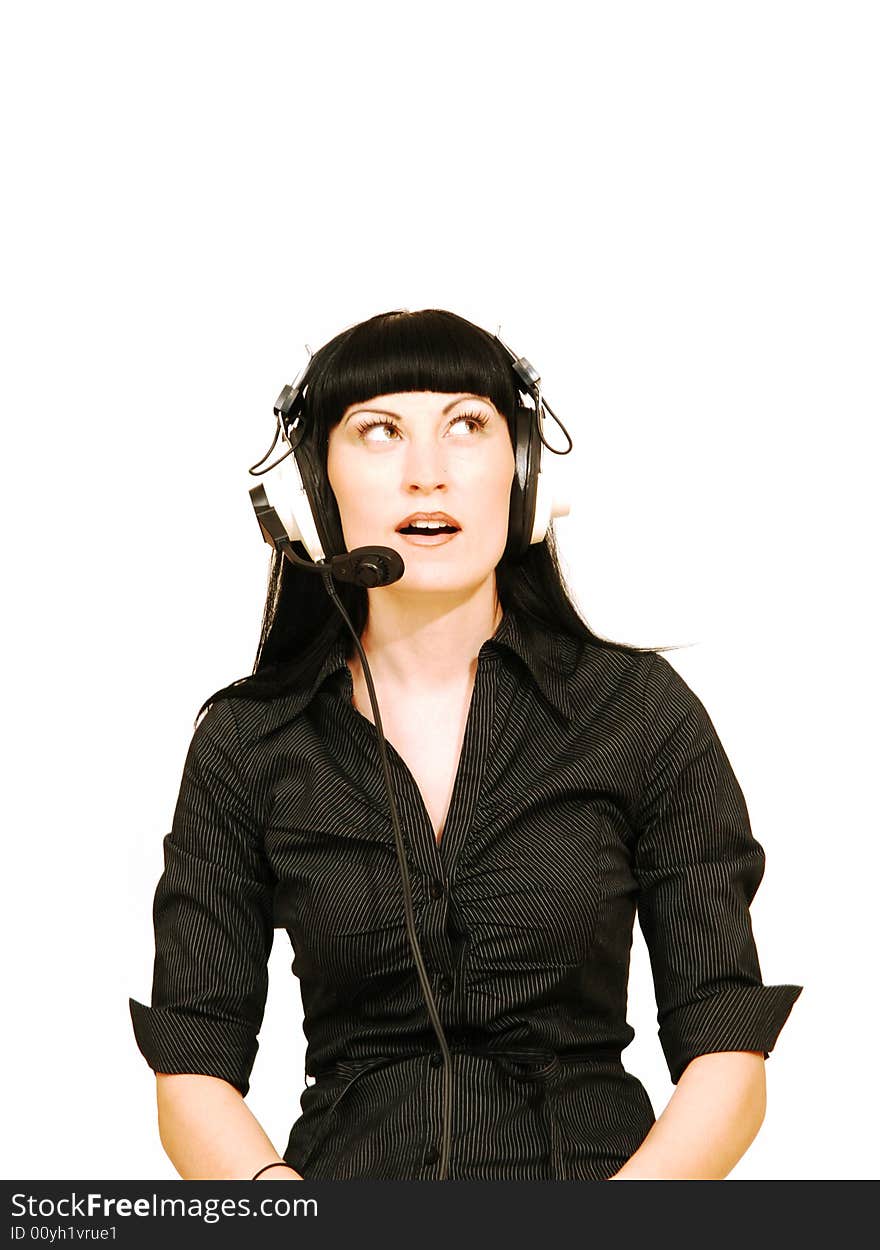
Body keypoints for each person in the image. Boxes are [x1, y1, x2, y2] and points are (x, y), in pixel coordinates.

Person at [129, 308, 803, 1181]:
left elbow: (726, 1041)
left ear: (523, 477)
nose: (427, 475)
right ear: (312, 492)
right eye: (379, 432)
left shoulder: (640, 715)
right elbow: (193, 1063)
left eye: (467, 426)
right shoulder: (247, 745)